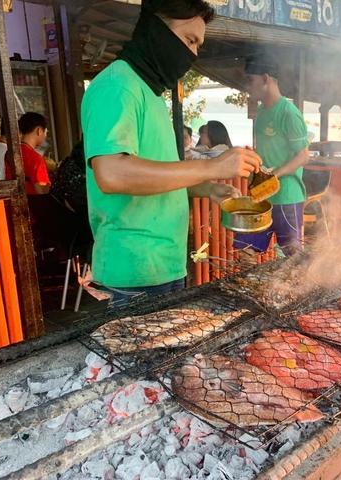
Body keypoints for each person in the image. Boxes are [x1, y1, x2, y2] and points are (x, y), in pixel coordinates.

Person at [80, 0, 260, 306]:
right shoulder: (117, 87)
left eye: (198, 46)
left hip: (164, 265)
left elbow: (153, 175)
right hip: (133, 274)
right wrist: (211, 167)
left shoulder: (149, 93)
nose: (192, 54)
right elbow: (111, 174)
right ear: (156, 29)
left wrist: (206, 187)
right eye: (189, 40)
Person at [235, 55, 310, 256]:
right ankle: (247, 287)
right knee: (245, 251)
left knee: (292, 255)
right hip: (262, 195)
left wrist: (274, 174)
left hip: (286, 196)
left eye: (251, 80)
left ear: (266, 79)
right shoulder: (261, 111)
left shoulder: (288, 113)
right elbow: (267, 150)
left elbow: (303, 155)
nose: (248, 86)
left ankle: (297, 288)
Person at [18, 112, 51, 195]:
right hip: (32, 205)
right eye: (46, 132)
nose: (45, 135)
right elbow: (42, 191)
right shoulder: (36, 158)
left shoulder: (9, 153)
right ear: (39, 131)